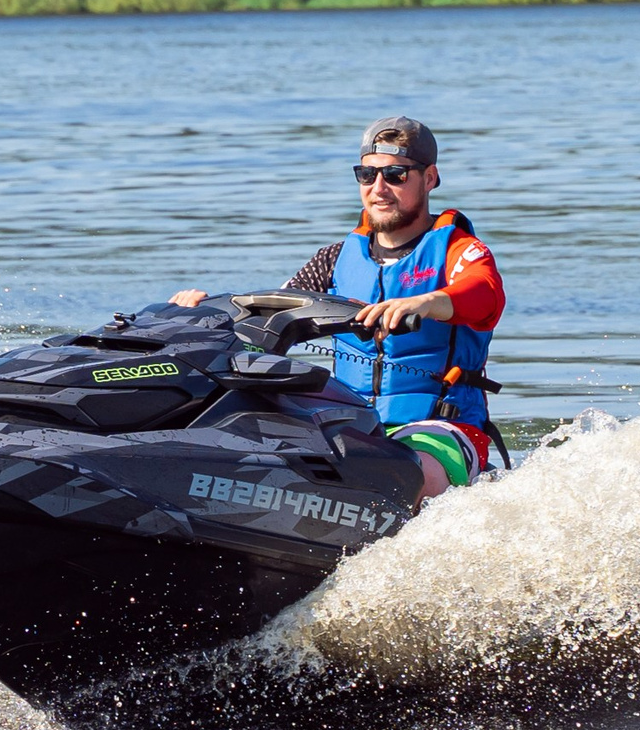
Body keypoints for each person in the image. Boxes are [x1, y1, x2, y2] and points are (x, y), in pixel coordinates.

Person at [172, 116, 506, 498]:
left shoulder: (459, 251)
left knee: (410, 474)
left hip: (444, 428)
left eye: (396, 175)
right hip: (348, 420)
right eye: (367, 175)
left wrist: (427, 302)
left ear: (429, 178)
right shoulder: (334, 259)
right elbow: (270, 313)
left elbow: (485, 294)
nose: (379, 189)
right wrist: (205, 312)